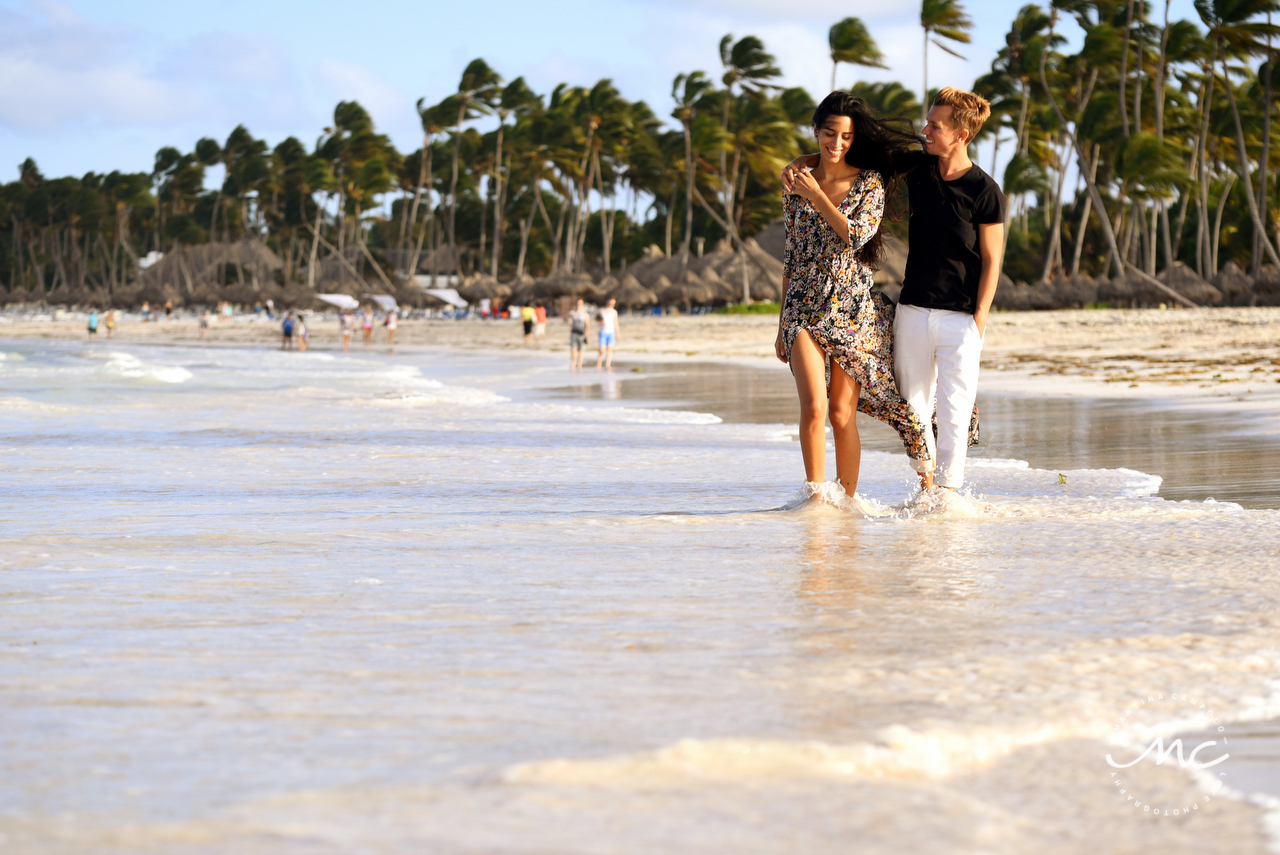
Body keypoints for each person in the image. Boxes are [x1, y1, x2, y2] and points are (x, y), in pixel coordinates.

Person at [774, 91, 935, 498]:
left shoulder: (869, 182)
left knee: (842, 413)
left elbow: (855, 235)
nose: (837, 144)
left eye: (846, 137)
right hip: (803, 309)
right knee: (813, 407)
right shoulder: (795, 183)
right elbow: (791, 258)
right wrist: (780, 325)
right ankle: (815, 499)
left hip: (851, 309)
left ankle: (846, 502)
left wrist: (816, 195)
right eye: (830, 134)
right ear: (815, 131)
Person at [595, 298, 619, 370]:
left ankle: (607, 364)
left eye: (613, 303)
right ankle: (599, 363)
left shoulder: (614, 312)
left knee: (609, 349)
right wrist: (600, 321)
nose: (612, 304)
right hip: (602, 332)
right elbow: (596, 318)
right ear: (607, 302)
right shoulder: (601, 310)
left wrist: (618, 333)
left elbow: (616, 323)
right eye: (611, 302)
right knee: (602, 349)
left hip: (611, 332)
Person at [568, 298, 591, 371]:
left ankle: (580, 364)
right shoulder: (572, 313)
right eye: (577, 303)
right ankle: (574, 363)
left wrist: (587, 334)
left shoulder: (585, 314)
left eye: (580, 304)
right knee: (573, 349)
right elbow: (565, 318)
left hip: (582, 334)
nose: (579, 305)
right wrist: (568, 320)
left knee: (581, 350)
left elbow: (587, 325)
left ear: (582, 304)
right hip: (574, 333)